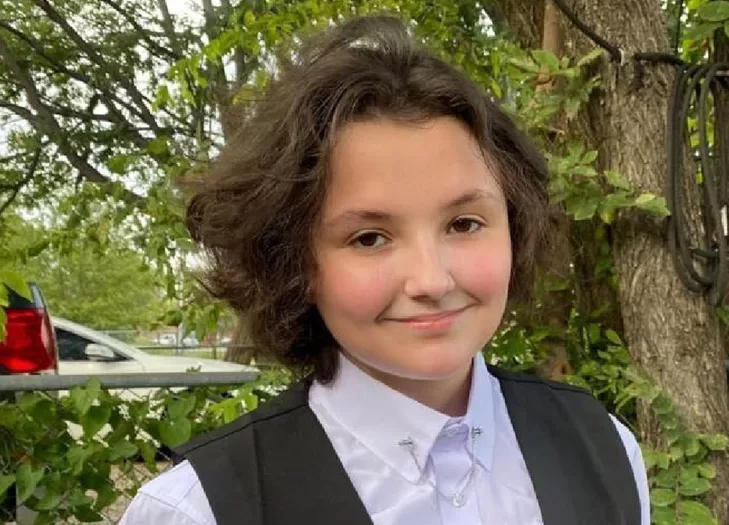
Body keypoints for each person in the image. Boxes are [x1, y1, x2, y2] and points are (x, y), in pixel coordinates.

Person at [120, 13, 650, 525]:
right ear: (296, 264)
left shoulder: (602, 447)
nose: (432, 281)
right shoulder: (197, 511)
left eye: (464, 224)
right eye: (369, 238)